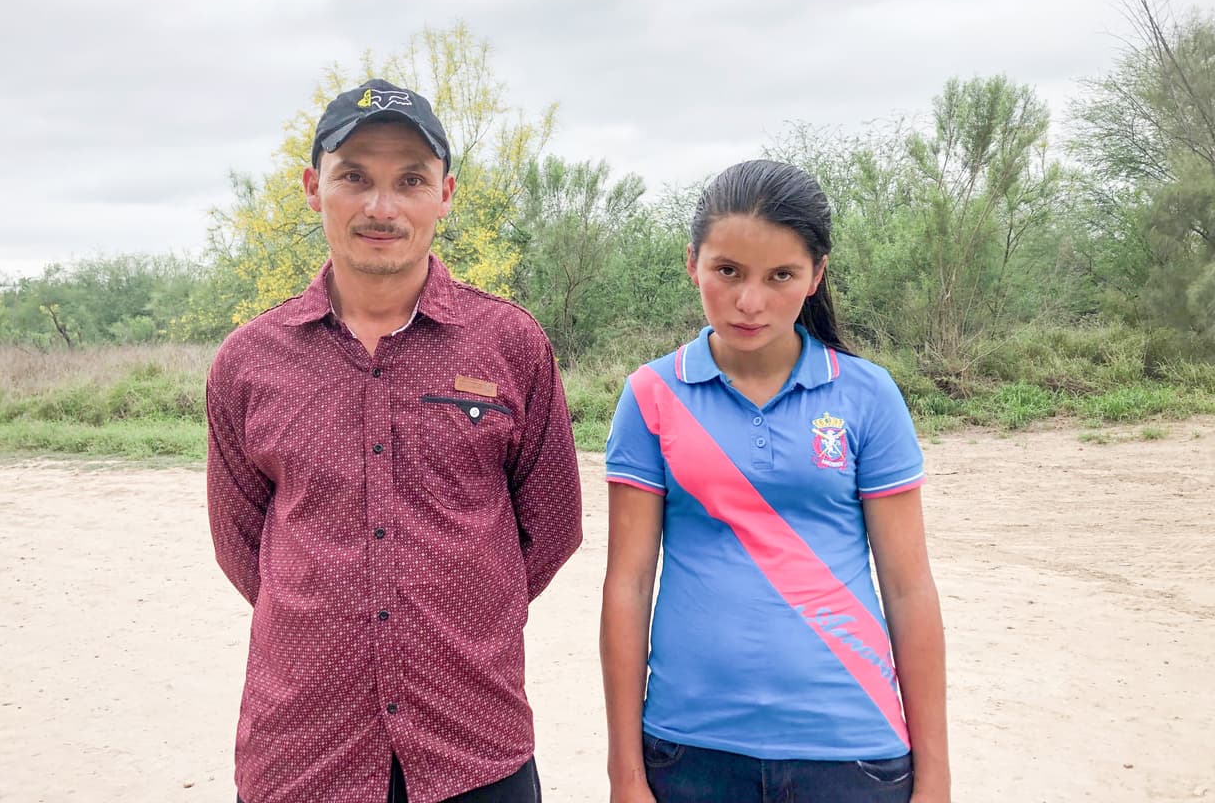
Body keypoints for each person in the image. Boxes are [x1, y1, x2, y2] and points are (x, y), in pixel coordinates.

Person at [206, 79, 583, 803]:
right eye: (355, 177)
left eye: (410, 180)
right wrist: (326, 607)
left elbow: (552, 526)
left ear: (445, 194)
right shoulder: (249, 361)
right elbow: (242, 544)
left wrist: (467, 606)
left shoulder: (511, 344)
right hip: (305, 750)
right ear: (315, 188)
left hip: (475, 745)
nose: (382, 207)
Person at [600, 159, 949, 803]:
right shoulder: (651, 396)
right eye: (727, 271)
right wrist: (625, 773)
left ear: (816, 276)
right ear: (692, 262)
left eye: (780, 275)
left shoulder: (867, 396)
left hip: (853, 752)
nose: (749, 302)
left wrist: (935, 778)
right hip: (687, 751)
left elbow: (908, 588)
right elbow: (627, 585)